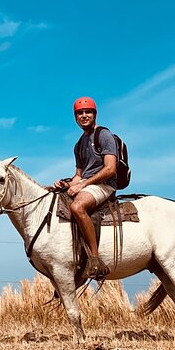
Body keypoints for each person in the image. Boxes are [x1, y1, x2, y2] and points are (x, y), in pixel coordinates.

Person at [54, 96, 117, 280]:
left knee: (77, 207)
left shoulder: (104, 135)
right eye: (80, 113)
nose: (84, 116)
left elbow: (110, 168)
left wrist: (83, 184)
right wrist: (66, 184)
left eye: (87, 112)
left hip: (104, 184)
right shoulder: (79, 144)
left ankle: (95, 260)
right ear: (75, 117)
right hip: (88, 184)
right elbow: (78, 176)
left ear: (94, 114)